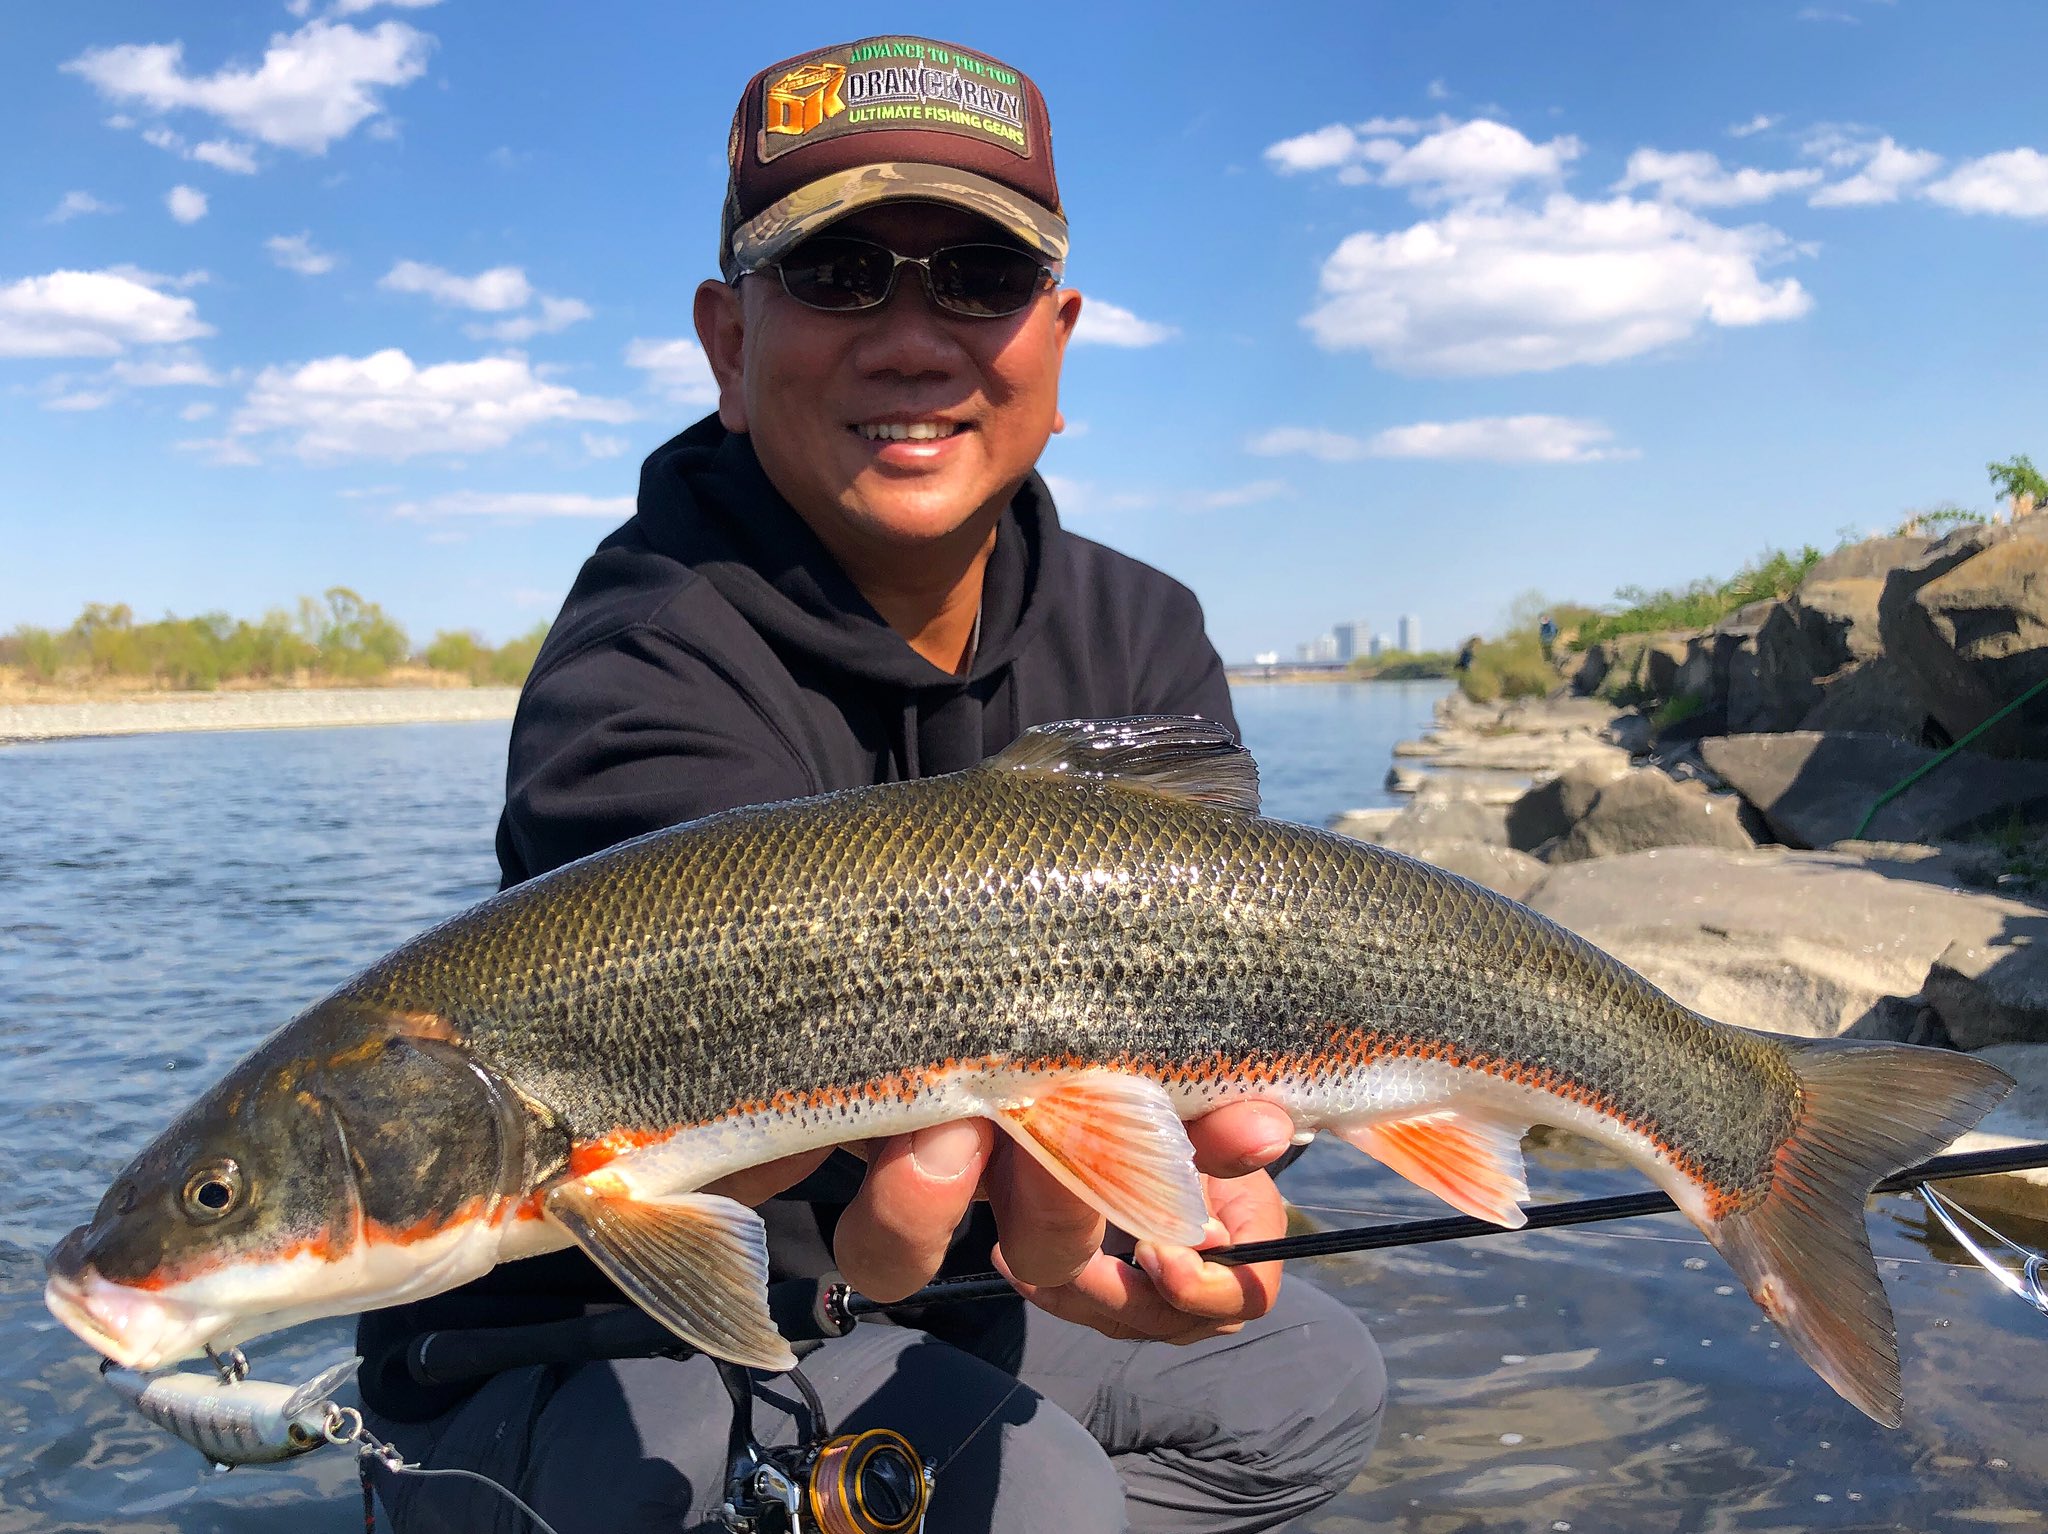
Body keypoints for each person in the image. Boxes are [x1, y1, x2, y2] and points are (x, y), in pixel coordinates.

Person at [356, 35, 1384, 1533]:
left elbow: (1182, 1071)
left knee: (1312, 1374)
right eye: (838, 275)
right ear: (726, 341)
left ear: (1058, 334)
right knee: (1030, 1494)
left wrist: (1204, 1185)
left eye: (977, 276)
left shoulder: (1141, 628)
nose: (913, 338)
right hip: (600, 1331)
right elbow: (790, 1176)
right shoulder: (639, 662)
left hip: (932, 1292)